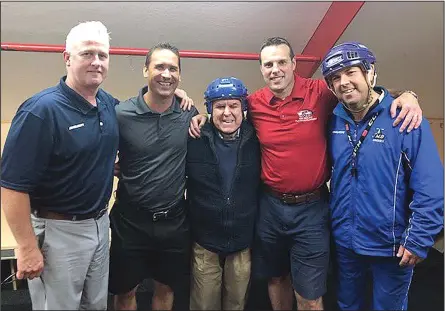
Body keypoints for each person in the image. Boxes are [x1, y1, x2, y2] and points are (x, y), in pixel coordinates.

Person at [189, 37, 423, 310]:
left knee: (310, 294)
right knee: (276, 279)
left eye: (281, 62)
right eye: (268, 64)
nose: (275, 69)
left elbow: (364, 95)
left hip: (311, 208)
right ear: (262, 70)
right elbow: (225, 110)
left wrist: (408, 96)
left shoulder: (320, 93)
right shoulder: (253, 103)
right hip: (270, 207)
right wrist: (200, 116)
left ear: (293, 64)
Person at [0, 21, 117, 310]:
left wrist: (175, 95)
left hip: (101, 224)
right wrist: (26, 247)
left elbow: (141, 111)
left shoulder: (108, 104)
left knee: (96, 305)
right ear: (67, 58)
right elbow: (12, 186)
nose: (97, 62)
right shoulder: (40, 111)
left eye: (103, 55)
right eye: (87, 54)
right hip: (58, 231)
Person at [322, 41, 444, 310]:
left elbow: (431, 187)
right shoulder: (333, 121)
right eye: (335, 78)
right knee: (347, 305)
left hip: (391, 247)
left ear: (370, 72)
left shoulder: (405, 118)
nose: (343, 82)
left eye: (351, 72)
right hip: (346, 242)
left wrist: (418, 239)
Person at [108, 42, 198, 311]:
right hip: (130, 221)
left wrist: (202, 116)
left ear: (179, 76)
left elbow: (214, 119)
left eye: (173, 68)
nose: (166, 74)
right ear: (146, 70)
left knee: (166, 288)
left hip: (173, 221)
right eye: (159, 67)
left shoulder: (187, 113)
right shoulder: (121, 114)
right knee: (125, 292)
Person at [187, 77, 261, 310]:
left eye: (234, 105)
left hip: (242, 242)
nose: (227, 113)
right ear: (209, 109)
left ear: (244, 109)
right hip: (204, 242)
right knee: (203, 305)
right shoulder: (194, 137)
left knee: (237, 304)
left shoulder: (258, 139)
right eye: (220, 106)